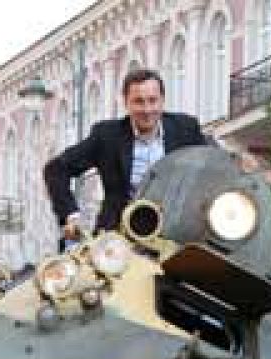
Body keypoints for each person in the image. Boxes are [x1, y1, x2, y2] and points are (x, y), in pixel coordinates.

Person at [43, 68, 211, 243]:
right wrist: (71, 216)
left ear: (162, 100)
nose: (147, 110)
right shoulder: (106, 135)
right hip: (119, 240)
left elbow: (214, 167)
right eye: (138, 102)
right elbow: (56, 169)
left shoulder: (186, 128)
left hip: (177, 235)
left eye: (152, 101)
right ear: (126, 103)